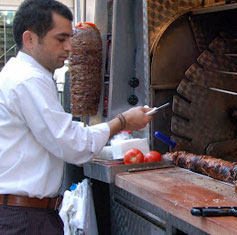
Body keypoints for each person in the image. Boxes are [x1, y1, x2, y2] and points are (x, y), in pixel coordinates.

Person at [0, 0, 153, 234]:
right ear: (29, 39)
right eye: (61, 39)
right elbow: (73, 145)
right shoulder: (29, 79)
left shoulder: (17, 73)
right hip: (24, 219)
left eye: (70, 38)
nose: (70, 47)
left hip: (24, 214)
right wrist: (122, 121)